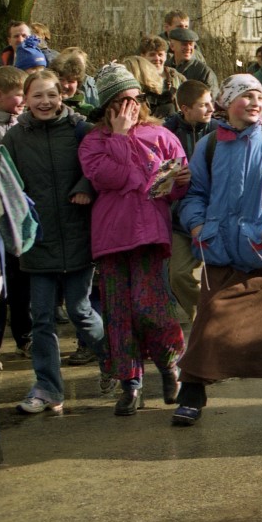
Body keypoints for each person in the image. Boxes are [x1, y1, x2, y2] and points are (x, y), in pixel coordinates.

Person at [173, 75, 262, 426]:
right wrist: (197, 226)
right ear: (227, 102)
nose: (255, 102)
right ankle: (192, 394)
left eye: (258, 96)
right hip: (221, 252)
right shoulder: (207, 146)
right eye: (246, 96)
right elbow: (194, 195)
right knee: (209, 325)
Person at [79, 64, 189, 416]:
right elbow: (113, 177)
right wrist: (121, 136)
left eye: (135, 99)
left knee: (151, 308)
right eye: (122, 101)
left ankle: (171, 367)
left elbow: (170, 186)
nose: (131, 107)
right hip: (112, 238)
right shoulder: (94, 141)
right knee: (118, 313)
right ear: (108, 106)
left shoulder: (161, 136)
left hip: (149, 235)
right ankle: (130, 384)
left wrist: (180, 179)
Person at [5, 70, 108, 415]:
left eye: (51, 95)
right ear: (25, 98)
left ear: (61, 95)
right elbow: (5, 187)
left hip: (79, 235)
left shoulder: (82, 131)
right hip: (38, 241)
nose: (45, 102)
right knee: (42, 320)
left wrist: (85, 187)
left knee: (80, 311)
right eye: (37, 96)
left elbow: (100, 167)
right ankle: (48, 388)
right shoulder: (14, 139)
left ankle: (118, 362)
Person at [162, 80, 219, 321]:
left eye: (211, 103)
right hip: (177, 218)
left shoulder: (220, 132)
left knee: (218, 274)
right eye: (204, 105)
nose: (211, 109)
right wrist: (173, 178)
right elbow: (158, 178)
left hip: (214, 214)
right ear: (185, 108)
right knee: (178, 275)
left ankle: (218, 319)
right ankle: (204, 317)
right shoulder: (166, 134)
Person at [0, 65, 28, 369]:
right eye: (19, 97)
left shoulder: (24, 125)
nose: (24, 102)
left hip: (18, 215)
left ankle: (24, 336)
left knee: (20, 281)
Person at [137, 36, 186, 119]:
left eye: (160, 54)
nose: (157, 58)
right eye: (152, 54)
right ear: (142, 56)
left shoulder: (177, 78)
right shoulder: (137, 78)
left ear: (166, 56)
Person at [167, 27, 220, 95]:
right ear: (172, 46)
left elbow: (211, 99)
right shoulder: (166, 67)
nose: (188, 48)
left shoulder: (203, 72)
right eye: (184, 44)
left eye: (191, 44)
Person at [49, 50, 96, 118]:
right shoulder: (41, 108)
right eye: (61, 79)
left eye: (71, 81)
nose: (65, 85)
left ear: (78, 84)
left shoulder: (89, 112)